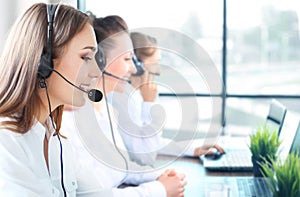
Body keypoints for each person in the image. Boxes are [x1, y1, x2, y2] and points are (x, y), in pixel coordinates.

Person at [61, 14, 186, 197]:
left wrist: (162, 175)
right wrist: (160, 189)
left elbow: (121, 168)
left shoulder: (105, 109)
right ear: (100, 60)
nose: (134, 69)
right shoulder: (72, 120)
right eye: (127, 59)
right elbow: (93, 194)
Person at [0, 3, 112, 196]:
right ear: (43, 62)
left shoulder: (57, 142)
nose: (95, 72)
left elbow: (101, 194)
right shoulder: (6, 143)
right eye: (85, 57)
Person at [108, 32, 225, 166]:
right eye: (155, 63)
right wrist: (149, 105)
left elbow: (154, 143)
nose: (158, 71)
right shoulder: (121, 100)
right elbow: (145, 156)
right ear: (137, 64)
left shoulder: (136, 95)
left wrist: (193, 149)